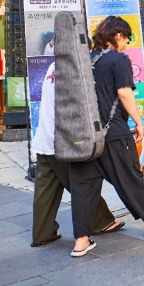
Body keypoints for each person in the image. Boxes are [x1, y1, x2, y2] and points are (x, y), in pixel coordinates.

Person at [68, 16, 144, 257]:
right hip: (113, 132)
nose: (127, 44)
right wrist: (139, 122)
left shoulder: (84, 59)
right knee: (130, 178)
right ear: (117, 35)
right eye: (127, 38)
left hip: (84, 136)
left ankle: (81, 241)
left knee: (83, 188)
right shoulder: (117, 59)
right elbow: (124, 93)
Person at [30, 61, 123, 247]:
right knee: (83, 183)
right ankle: (101, 221)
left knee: (45, 189)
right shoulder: (73, 67)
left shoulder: (53, 66)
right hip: (63, 141)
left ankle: (42, 233)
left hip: (44, 137)